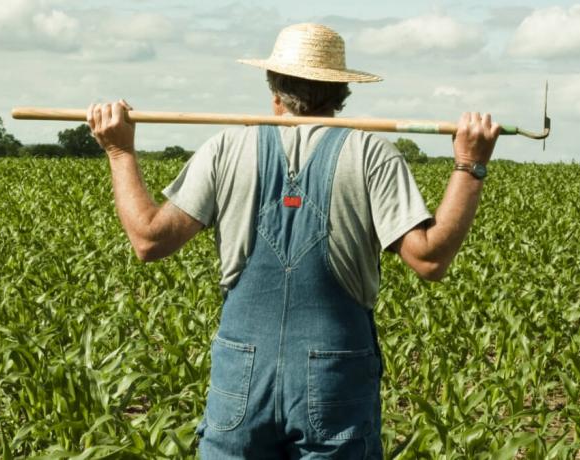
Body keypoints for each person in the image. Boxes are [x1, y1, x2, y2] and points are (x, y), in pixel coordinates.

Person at [87, 23, 499, 459]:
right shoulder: (371, 154)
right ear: (342, 91)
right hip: (335, 374)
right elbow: (429, 259)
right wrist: (469, 166)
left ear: (274, 88)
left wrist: (119, 152)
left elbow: (149, 239)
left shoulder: (227, 147)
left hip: (240, 375)